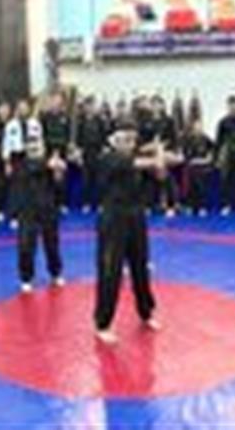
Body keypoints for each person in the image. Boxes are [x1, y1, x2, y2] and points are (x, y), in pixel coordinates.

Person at [94, 120, 165, 344]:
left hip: (136, 217)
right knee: (111, 271)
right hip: (113, 219)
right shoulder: (109, 158)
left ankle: (146, 312)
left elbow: (160, 174)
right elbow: (141, 163)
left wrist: (159, 154)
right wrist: (158, 152)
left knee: (140, 267)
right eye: (125, 139)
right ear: (115, 140)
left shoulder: (135, 159)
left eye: (132, 139)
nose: (129, 143)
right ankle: (103, 323)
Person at [14, 135, 66, 294]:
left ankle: (56, 273)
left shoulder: (50, 164)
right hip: (27, 210)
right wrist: (49, 164)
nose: (33, 148)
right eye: (30, 146)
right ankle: (26, 278)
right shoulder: (21, 163)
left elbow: (58, 187)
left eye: (36, 146)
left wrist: (58, 174)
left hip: (48, 208)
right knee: (26, 245)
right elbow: (32, 169)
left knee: (52, 243)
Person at [3, 98, 43, 230]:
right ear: (17, 109)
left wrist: (40, 157)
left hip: (32, 157)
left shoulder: (35, 124)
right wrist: (7, 163)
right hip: (17, 157)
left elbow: (40, 140)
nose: (23, 110)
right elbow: (6, 145)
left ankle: (34, 216)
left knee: (33, 188)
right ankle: (15, 216)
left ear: (29, 109)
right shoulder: (11, 125)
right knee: (17, 188)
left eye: (25, 108)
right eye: (20, 108)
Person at [39, 92, 71, 212]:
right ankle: (49, 204)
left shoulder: (65, 117)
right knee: (48, 179)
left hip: (62, 151)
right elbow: (43, 134)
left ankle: (61, 203)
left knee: (61, 179)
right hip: (48, 151)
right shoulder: (44, 117)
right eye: (54, 100)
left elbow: (67, 135)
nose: (56, 103)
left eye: (58, 101)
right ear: (50, 101)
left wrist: (62, 150)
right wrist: (51, 152)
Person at [76, 97, 107, 213]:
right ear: (85, 107)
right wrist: (78, 154)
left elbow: (104, 137)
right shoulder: (80, 121)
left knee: (99, 180)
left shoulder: (100, 121)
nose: (90, 108)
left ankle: (99, 204)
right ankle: (86, 203)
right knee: (86, 180)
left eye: (92, 105)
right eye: (88, 106)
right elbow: (78, 138)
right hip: (85, 152)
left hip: (97, 152)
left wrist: (103, 151)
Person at [182, 119, 214, 216]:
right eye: (196, 127)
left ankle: (202, 206)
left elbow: (213, 149)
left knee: (201, 180)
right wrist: (193, 161)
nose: (198, 129)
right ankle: (192, 206)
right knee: (193, 179)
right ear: (193, 129)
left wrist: (209, 158)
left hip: (204, 164)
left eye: (200, 127)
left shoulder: (206, 138)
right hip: (192, 165)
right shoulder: (188, 140)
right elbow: (186, 155)